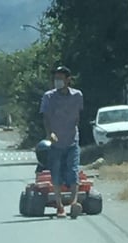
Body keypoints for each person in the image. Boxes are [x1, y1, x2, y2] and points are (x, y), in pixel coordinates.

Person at [39, 66, 84, 218]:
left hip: (72, 139)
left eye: (60, 78)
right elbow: (45, 116)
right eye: (55, 78)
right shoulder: (49, 97)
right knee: (56, 173)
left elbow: (78, 115)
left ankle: (74, 203)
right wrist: (49, 133)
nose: (57, 81)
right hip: (55, 141)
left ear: (68, 80)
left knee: (73, 170)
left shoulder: (77, 95)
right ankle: (59, 206)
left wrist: (74, 129)